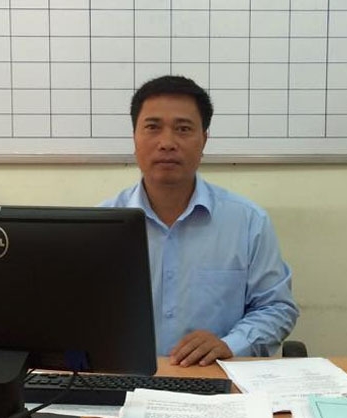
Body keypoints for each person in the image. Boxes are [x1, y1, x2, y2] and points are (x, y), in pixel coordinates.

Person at [100, 75, 299, 367]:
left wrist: (231, 344)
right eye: (153, 127)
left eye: (183, 129)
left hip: (213, 375)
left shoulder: (247, 222)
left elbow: (276, 308)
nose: (167, 143)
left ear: (203, 140)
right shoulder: (101, 226)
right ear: (134, 138)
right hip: (124, 376)